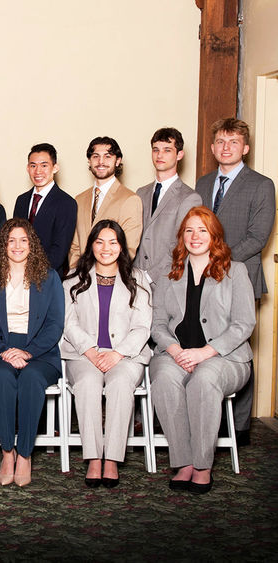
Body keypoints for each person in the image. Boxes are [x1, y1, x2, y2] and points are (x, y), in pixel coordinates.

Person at [149, 206, 255, 494]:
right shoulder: (169, 274)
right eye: (189, 230)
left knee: (203, 381)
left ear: (214, 235)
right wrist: (173, 350)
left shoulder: (236, 271)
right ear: (182, 236)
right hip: (176, 353)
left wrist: (203, 353)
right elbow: (157, 324)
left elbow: (244, 324)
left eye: (202, 230)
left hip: (224, 358)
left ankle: (202, 465)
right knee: (164, 380)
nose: (195, 236)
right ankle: (183, 462)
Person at [194, 118, 275, 442]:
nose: (226, 147)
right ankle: (207, 418)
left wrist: (219, 261)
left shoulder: (261, 184)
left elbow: (259, 236)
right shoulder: (202, 183)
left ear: (246, 147)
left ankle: (239, 427)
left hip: (240, 274)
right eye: (221, 142)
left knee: (237, 347)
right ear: (213, 148)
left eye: (233, 142)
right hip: (204, 278)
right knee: (209, 343)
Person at [61, 220, 152, 488]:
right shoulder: (73, 278)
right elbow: (68, 322)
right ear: (91, 245)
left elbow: (142, 326)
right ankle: (93, 458)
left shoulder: (139, 279)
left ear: (122, 247)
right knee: (88, 384)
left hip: (126, 356)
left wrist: (118, 353)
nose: (106, 247)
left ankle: (112, 458)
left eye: (113, 242)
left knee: (120, 384)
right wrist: (89, 350)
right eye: (100, 241)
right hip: (82, 354)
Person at [0, 218, 64, 486]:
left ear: (32, 244)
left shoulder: (49, 278)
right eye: (11, 240)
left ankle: (25, 454)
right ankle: (7, 452)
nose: (17, 246)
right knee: (2, 379)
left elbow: (54, 325)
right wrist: (5, 351)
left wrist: (27, 352)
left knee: (30, 379)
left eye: (23, 240)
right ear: (3, 245)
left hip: (40, 350)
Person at [135, 128, 201, 287]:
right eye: (155, 150)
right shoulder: (141, 192)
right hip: (135, 278)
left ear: (179, 155)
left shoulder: (190, 197)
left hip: (167, 280)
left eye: (167, 150)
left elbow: (181, 244)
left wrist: (150, 276)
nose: (159, 155)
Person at [68, 136, 142, 268]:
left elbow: (128, 250)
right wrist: (76, 274)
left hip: (111, 278)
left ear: (118, 161)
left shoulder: (130, 199)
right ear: (89, 161)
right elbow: (75, 246)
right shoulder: (79, 199)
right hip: (81, 278)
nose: (101, 161)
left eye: (107, 156)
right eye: (95, 156)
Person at [13, 143, 77, 274]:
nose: (38, 171)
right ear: (27, 168)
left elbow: (59, 251)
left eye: (44, 165)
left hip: (47, 278)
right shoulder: (21, 201)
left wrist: (31, 273)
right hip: (18, 276)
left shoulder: (66, 203)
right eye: (33, 165)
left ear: (55, 168)